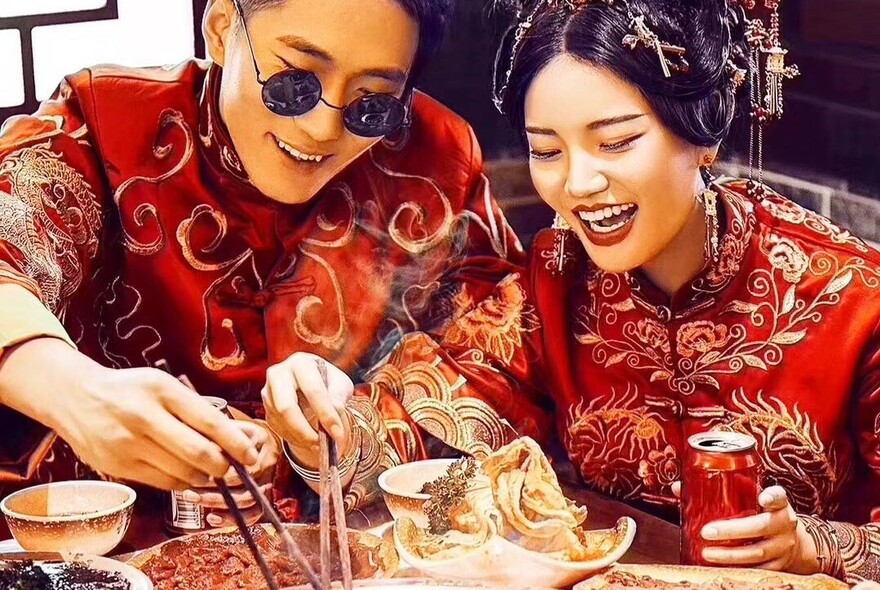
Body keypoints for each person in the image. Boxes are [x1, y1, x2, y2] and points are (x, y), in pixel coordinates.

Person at [361, 0, 880, 583]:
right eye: (547, 151)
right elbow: (419, 421)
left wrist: (814, 546)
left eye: (615, 142)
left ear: (702, 134)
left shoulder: (853, 297)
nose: (578, 184)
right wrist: (312, 421)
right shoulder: (556, 281)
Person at [0, 0, 522, 534]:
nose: (322, 129)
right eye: (295, 81)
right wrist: (76, 393)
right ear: (222, 29)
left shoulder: (436, 159)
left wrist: (335, 433)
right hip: (87, 545)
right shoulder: (107, 121)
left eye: (373, 104)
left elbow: (500, 357)